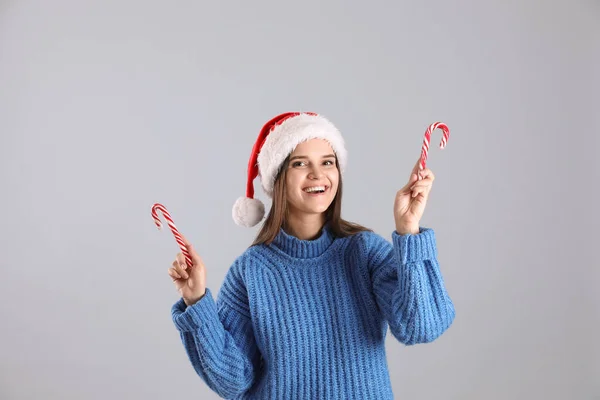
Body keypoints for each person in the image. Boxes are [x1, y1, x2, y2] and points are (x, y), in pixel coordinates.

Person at [168, 112, 456, 399]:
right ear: (279, 176)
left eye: (327, 162)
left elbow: (421, 327)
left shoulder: (364, 252)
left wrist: (409, 231)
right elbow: (233, 381)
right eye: (300, 163)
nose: (317, 174)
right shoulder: (251, 270)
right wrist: (196, 303)